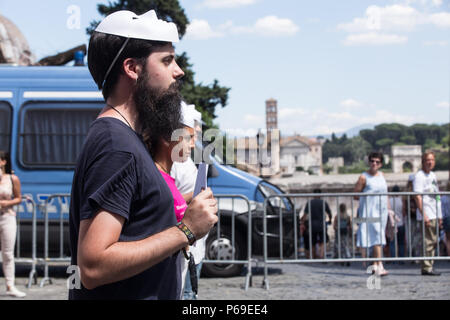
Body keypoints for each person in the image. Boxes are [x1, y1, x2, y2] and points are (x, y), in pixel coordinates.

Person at [68, 10, 218, 300]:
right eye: (166, 60)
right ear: (132, 68)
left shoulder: (125, 140)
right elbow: (93, 265)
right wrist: (186, 231)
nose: (179, 71)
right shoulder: (117, 146)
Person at [170, 105, 206, 300]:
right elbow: (170, 201)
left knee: (190, 293)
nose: (195, 141)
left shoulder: (185, 159)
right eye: (192, 134)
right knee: (186, 295)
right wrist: (196, 195)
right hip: (184, 243)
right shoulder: (175, 161)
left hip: (193, 245)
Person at [354, 151, 389, 276]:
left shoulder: (382, 175)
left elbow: (386, 194)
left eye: (377, 162)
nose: (374, 163)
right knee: (377, 236)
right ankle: (379, 264)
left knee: (378, 237)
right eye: (372, 161)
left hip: (382, 210)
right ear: (369, 162)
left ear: (381, 164)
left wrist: (389, 209)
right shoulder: (363, 177)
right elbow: (355, 195)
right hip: (370, 210)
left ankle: (375, 264)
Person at [0, 151, 26, 298]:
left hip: (7, 217)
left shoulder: (12, 178)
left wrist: (5, 202)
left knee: (8, 253)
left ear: (3, 162)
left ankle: (10, 285)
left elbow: (18, 198)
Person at [413, 152, 442, 276]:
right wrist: (423, 214)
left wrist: (440, 214)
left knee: (434, 241)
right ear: (423, 162)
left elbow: (437, 196)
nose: (430, 162)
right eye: (427, 160)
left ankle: (430, 264)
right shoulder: (419, 176)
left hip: (434, 212)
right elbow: (417, 196)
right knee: (427, 241)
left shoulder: (433, 175)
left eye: (432, 160)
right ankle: (426, 267)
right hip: (427, 212)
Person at [300, 189, 332, 259]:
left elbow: (305, 215)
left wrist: (302, 222)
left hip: (312, 225)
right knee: (323, 241)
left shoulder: (310, 203)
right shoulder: (323, 202)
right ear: (320, 195)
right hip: (321, 224)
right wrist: (330, 220)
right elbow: (329, 213)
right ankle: (321, 255)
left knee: (312, 241)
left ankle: (313, 255)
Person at [387, 185, 406, 259]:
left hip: (392, 224)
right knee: (401, 242)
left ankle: (393, 258)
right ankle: (401, 258)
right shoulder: (401, 200)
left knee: (392, 242)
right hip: (400, 223)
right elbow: (404, 212)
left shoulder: (389, 201)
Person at [441, 181, 450, 256]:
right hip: (447, 218)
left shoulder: (443, 198)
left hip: (447, 218)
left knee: (448, 239)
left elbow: (442, 210)